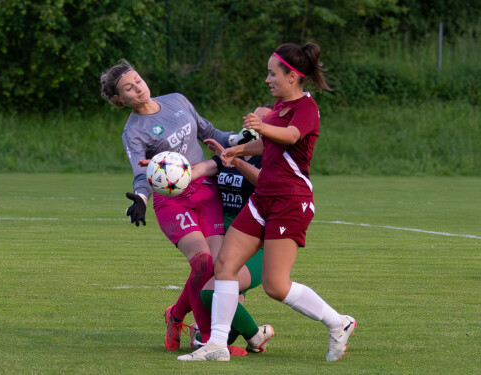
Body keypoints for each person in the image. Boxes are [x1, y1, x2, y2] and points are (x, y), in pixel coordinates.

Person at [178, 43, 357, 362]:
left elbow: (288, 136)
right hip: (263, 199)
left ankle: (338, 323)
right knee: (225, 265)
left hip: (291, 200)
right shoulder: (278, 105)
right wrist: (236, 152)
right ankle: (217, 345)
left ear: (292, 76)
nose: (267, 79)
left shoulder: (305, 107)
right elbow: (268, 144)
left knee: (276, 285)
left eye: (272, 73)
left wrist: (261, 126)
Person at [100, 62, 241, 351]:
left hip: (207, 191)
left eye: (137, 80)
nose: (138, 87)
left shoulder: (177, 100)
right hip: (172, 201)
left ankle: (175, 315)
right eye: (129, 88)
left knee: (220, 266)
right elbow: (141, 174)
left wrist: (242, 140)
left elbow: (210, 132)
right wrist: (140, 198)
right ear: (120, 100)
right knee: (202, 262)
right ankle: (205, 340)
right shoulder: (133, 131)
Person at [188, 105, 275, 354]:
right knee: (218, 294)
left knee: (210, 293)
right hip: (223, 237)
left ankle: (256, 336)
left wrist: (236, 161)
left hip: (255, 243)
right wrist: (167, 168)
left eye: (261, 118)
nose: (251, 120)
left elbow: (265, 181)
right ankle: (213, 333)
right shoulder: (229, 152)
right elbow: (203, 169)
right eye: (251, 115)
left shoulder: (269, 156)